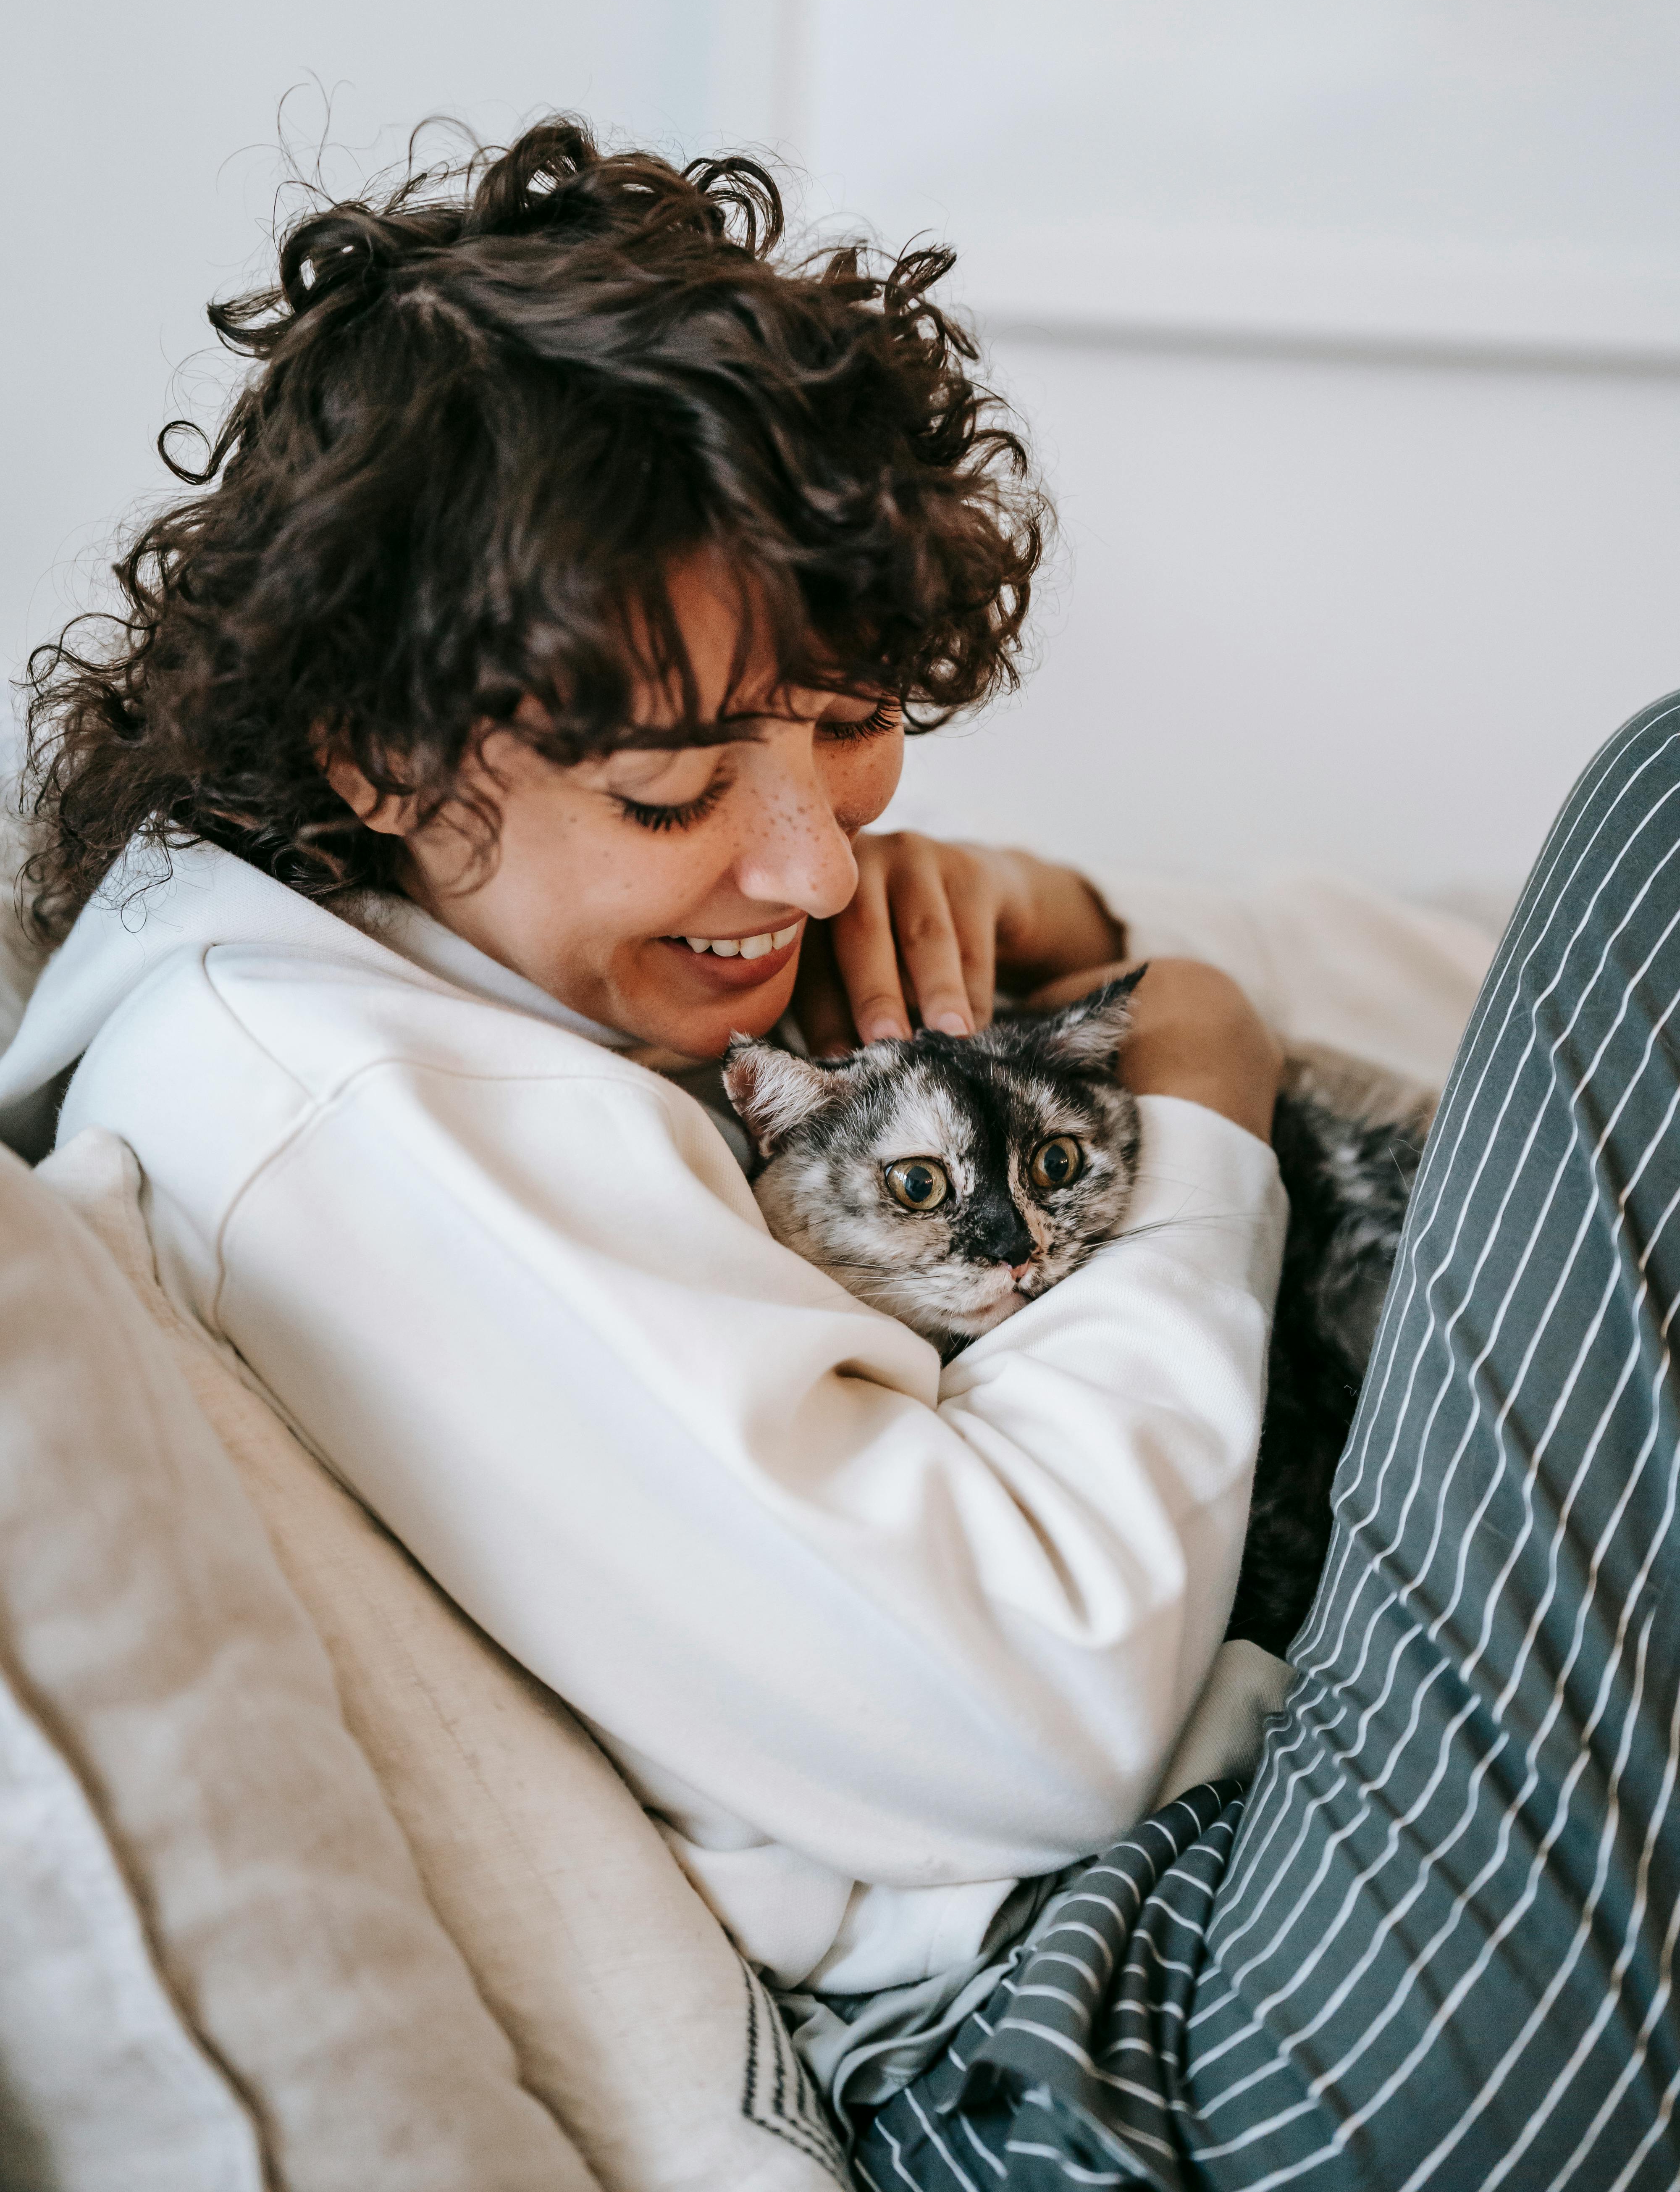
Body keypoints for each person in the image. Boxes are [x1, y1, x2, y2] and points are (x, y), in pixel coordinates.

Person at [5, 118, 1672, 2186]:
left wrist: (1055, 912)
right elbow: (1039, 1715)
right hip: (1162, 2045)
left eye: (854, 718)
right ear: (378, 753)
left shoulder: (517, 979)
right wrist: (1197, 1087)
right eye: (679, 785)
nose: (809, 864)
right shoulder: (346, 1110)